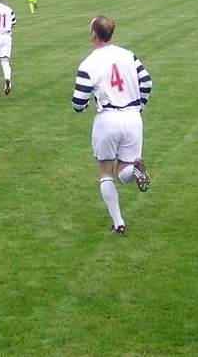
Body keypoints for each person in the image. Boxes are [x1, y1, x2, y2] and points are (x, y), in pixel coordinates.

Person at [71, 15, 152, 235]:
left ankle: (118, 223)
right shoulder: (129, 56)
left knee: (105, 172)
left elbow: (79, 101)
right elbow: (147, 82)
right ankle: (135, 169)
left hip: (108, 119)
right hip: (133, 119)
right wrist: (139, 105)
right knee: (124, 168)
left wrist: (81, 108)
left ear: (94, 35)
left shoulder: (89, 63)